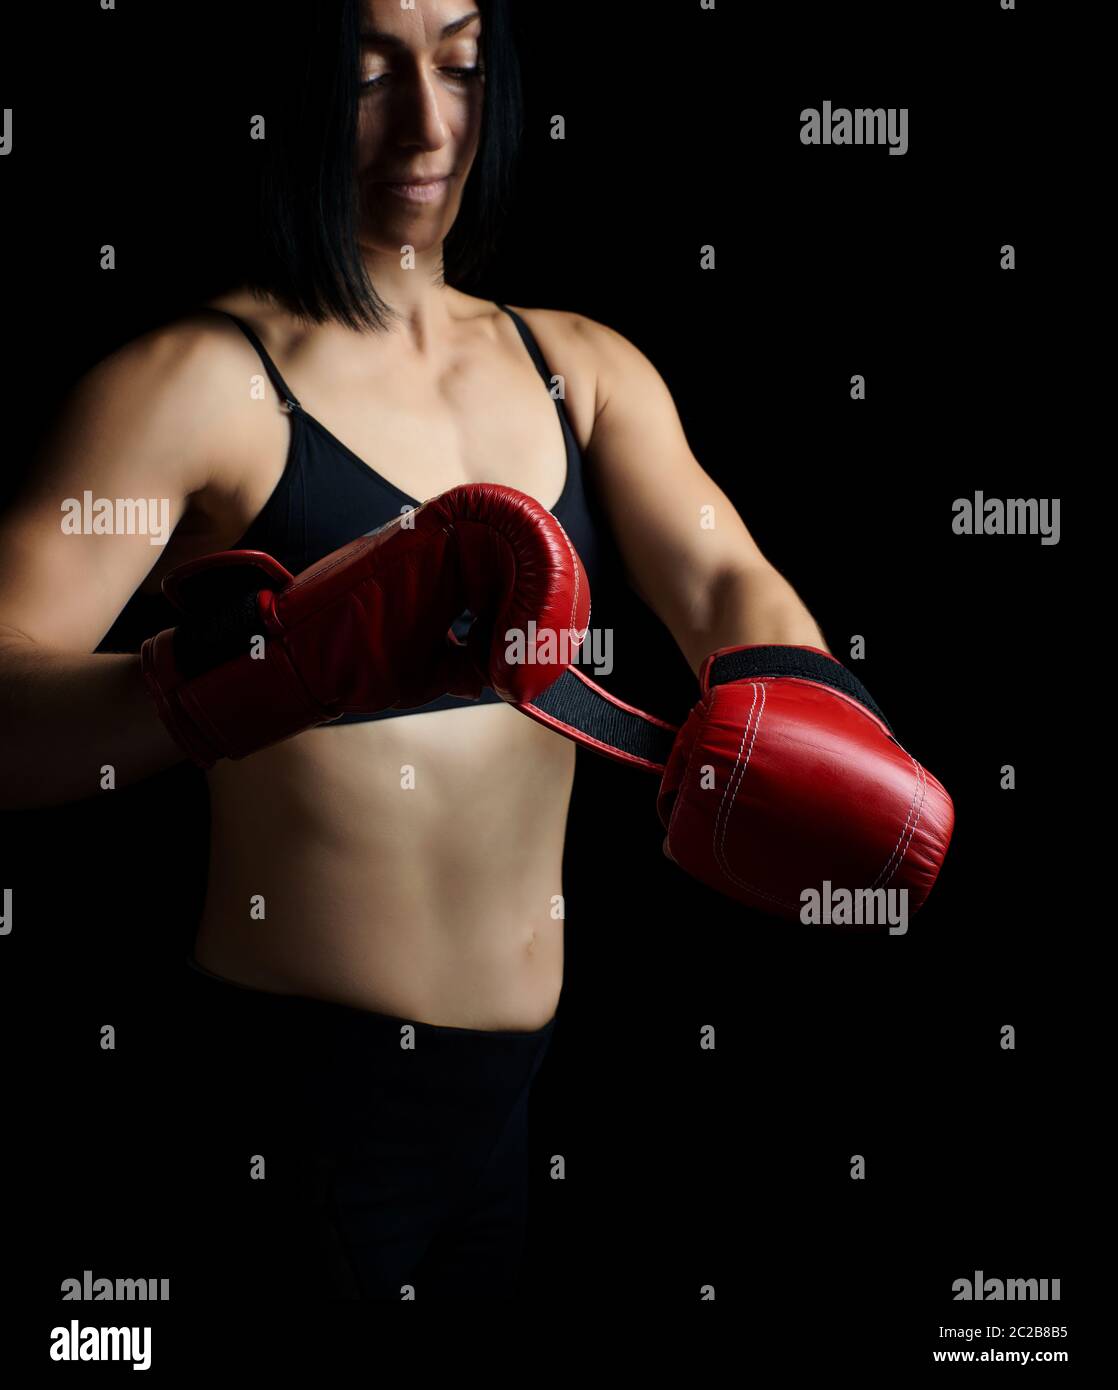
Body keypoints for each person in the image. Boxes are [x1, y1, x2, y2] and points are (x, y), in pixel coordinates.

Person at [0, 0, 831, 1300]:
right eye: (370, 71)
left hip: (512, 1104)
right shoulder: (197, 381)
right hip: (296, 1096)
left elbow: (727, 576)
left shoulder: (581, 368)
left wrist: (811, 695)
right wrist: (251, 672)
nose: (429, 122)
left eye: (459, 62)